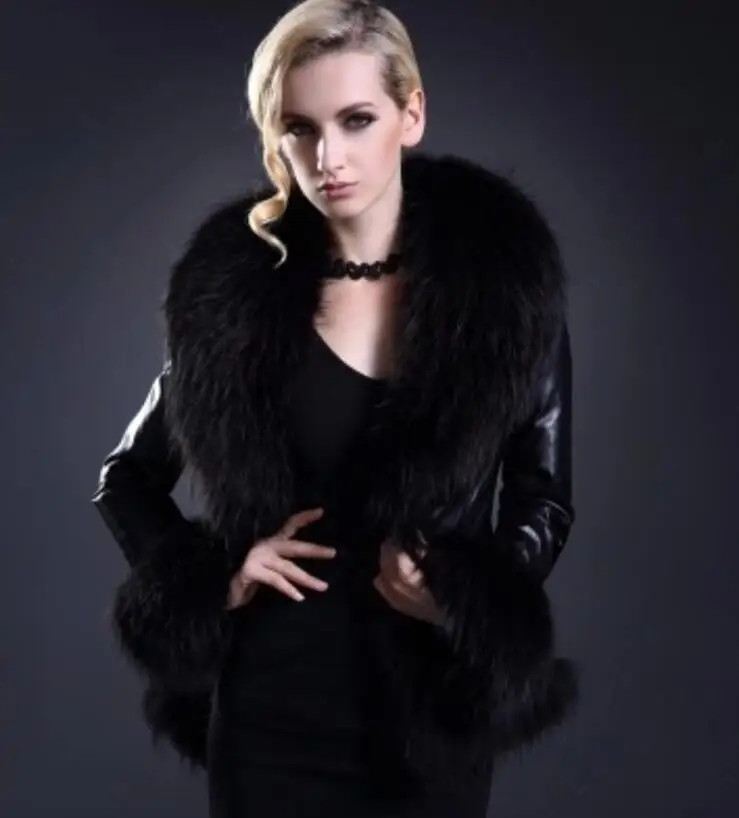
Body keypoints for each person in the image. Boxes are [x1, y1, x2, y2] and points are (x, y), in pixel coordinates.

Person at [91, 0, 578, 816]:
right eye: (299, 128)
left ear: (410, 114)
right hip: (268, 719)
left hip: (425, 720)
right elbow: (125, 479)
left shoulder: (503, 297)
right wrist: (217, 576)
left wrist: (458, 596)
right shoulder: (235, 305)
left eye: (356, 120)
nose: (328, 158)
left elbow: (544, 499)